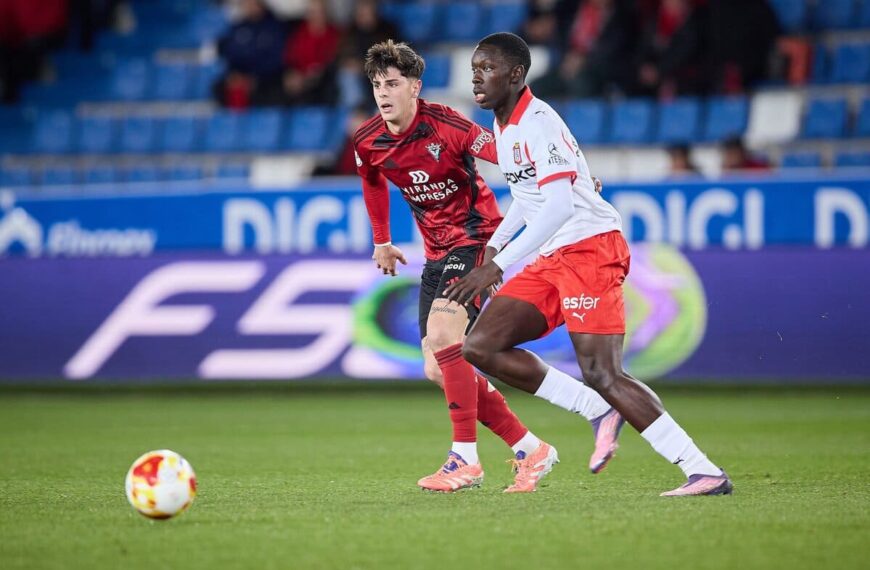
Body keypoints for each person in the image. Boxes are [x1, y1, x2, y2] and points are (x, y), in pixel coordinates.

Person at [445, 32, 732, 497]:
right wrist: (494, 251)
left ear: (516, 74)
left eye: (487, 68)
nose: (476, 76)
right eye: (474, 67)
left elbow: (558, 207)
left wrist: (498, 266)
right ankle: (597, 410)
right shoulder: (504, 124)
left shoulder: (537, 122)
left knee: (604, 373)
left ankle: (702, 470)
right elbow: (528, 197)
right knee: (481, 345)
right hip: (552, 255)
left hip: (589, 248)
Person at [353, 40, 623, 493]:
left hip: (479, 240)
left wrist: (575, 176)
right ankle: (530, 449)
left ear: (415, 87)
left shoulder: (449, 125)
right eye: (377, 84)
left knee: (443, 337)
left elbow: (518, 153)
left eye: (393, 83)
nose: (384, 93)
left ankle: (465, 459)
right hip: (436, 253)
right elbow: (372, 181)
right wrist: (382, 240)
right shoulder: (367, 140)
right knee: (438, 368)